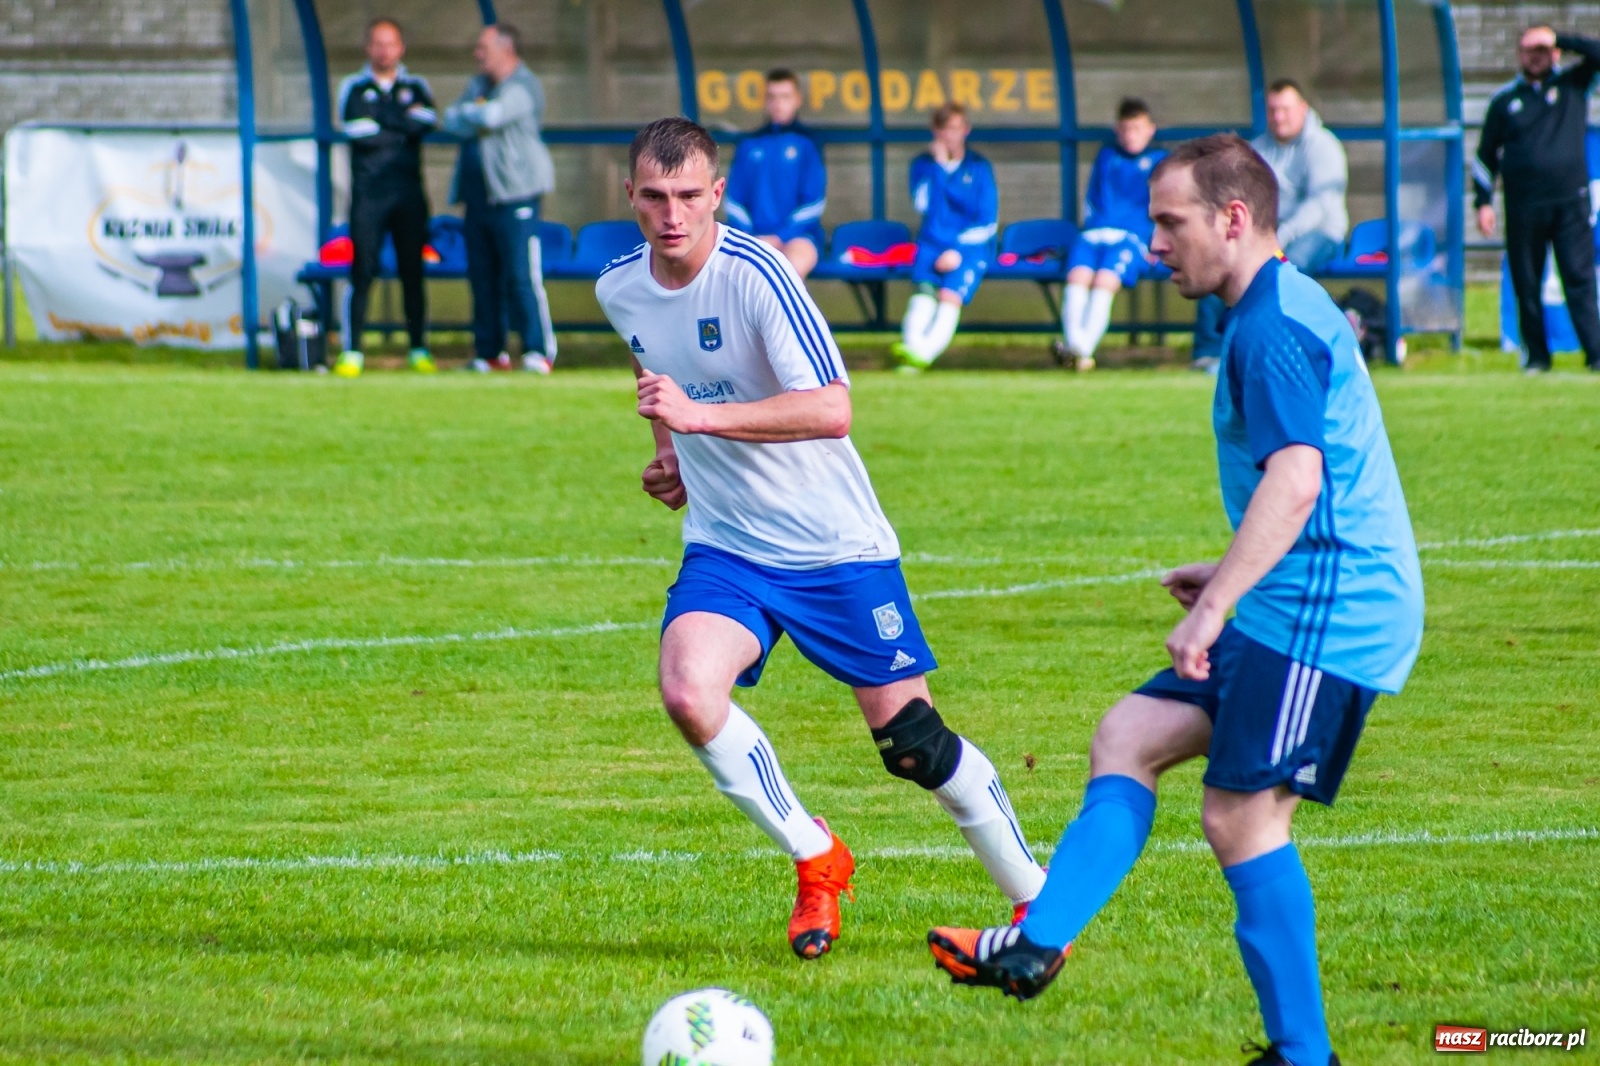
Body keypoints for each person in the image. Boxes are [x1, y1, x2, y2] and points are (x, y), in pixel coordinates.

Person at [927, 134, 1423, 1066]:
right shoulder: (1271, 308)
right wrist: (1232, 570)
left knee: (1242, 818)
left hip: (1333, 609)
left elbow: (1301, 480)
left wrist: (1214, 605)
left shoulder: (1272, 325)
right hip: (1293, 591)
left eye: (1169, 221)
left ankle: (1303, 1054)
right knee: (1130, 735)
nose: (1153, 242)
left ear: (1233, 220)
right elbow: (1309, 485)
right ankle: (1038, 943)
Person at [595, 117, 1045, 960]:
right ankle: (816, 856)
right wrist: (671, 456)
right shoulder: (619, 287)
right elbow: (651, 366)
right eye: (654, 197)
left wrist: (702, 420)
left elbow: (833, 408)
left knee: (911, 744)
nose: (672, 214)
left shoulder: (759, 274)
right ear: (629, 195)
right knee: (690, 694)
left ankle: (1038, 906)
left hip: (833, 545)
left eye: (689, 195)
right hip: (727, 545)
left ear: (717, 194)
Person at [1192, 81, 1348, 371]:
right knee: (1218, 262)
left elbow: (1320, 205)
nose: (1278, 117)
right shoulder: (1258, 148)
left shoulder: (1323, 146)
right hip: (1267, 235)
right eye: (1273, 110)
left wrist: (1281, 236)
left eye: (1285, 110)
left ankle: (1273, 349)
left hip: (1319, 234)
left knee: (1285, 270)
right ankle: (1208, 352)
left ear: (1302, 109)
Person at [1475, 25, 1600, 374]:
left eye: (1543, 50)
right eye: (1530, 50)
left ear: (1555, 53)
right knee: (1527, 282)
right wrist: (1483, 203)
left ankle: (1596, 352)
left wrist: (1559, 36)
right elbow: (1485, 157)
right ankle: (1537, 357)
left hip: (1570, 204)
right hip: (1523, 207)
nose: (1536, 57)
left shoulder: (1573, 86)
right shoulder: (1504, 102)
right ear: (1519, 55)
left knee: (1579, 279)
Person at [442, 24, 558, 374]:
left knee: (520, 275)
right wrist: (474, 113)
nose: (477, 54)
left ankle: (538, 350)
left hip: (516, 196)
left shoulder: (524, 85)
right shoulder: (479, 86)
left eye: (483, 48)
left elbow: (492, 115)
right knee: (482, 276)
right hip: (478, 199)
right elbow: (450, 119)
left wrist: (473, 113)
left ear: (505, 50)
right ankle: (490, 353)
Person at [334, 18, 437, 378]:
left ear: (401, 48)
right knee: (362, 271)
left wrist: (382, 121)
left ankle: (418, 348)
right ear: (368, 48)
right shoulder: (354, 86)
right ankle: (352, 351)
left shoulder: (416, 85)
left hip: (408, 194)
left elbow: (426, 120)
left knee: (413, 271)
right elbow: (357, 132)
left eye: (390, 44)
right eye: (377, 44)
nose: (384, 50)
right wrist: (399, 124)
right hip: (368, 195)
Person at [1053, 98, 1168, 372]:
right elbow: (1091, 200)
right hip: (1094, 234)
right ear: (1118, 130)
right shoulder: (1106, 156)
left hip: (1131, 239)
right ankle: (1079, 353)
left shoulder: (1159, 161)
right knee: (1077, 277)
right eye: (1126, 129)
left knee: (1105, 280)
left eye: (1137, 128)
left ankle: (1079, 349)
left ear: (1150, 129)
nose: (1131, 135)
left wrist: (1157, 242)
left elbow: (1165, 208)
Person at [891, 104, 998, 372]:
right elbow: (923, 204)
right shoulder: (923, 166)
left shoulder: (979, 167)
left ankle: (922, 354)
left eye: (956, 129)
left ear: (966, 130)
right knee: (923, 296)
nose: (950, 135)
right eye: (945, 129)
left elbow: (988, 221)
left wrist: (957, 250)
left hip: (970, 247)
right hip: (932, 243)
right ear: (935, 132)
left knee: (949, 296)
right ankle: (913, 354)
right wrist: (940, 169)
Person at [723, 69, 827, 279]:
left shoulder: (808, 144)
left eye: (785, 97)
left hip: (800, 237)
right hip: (754, 237)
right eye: (772, 97)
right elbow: (733, 200)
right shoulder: (749, 144)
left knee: (789, 270)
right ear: (765, 101)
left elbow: (814, 202)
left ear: (797, 100)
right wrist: (751, 236)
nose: (778, 103)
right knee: (740, 275)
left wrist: (781, 236)